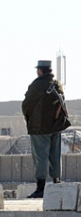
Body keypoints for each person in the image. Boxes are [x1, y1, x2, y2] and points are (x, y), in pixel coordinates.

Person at [23, 59, 70, 198]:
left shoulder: (36, 85)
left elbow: (26, 105)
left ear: (40, 71)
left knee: (41, 157)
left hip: (39, 128)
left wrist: (29, 120)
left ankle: (41, 188)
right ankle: (56, 183)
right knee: (55, 155)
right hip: (56, 126)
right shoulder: (57, 84)